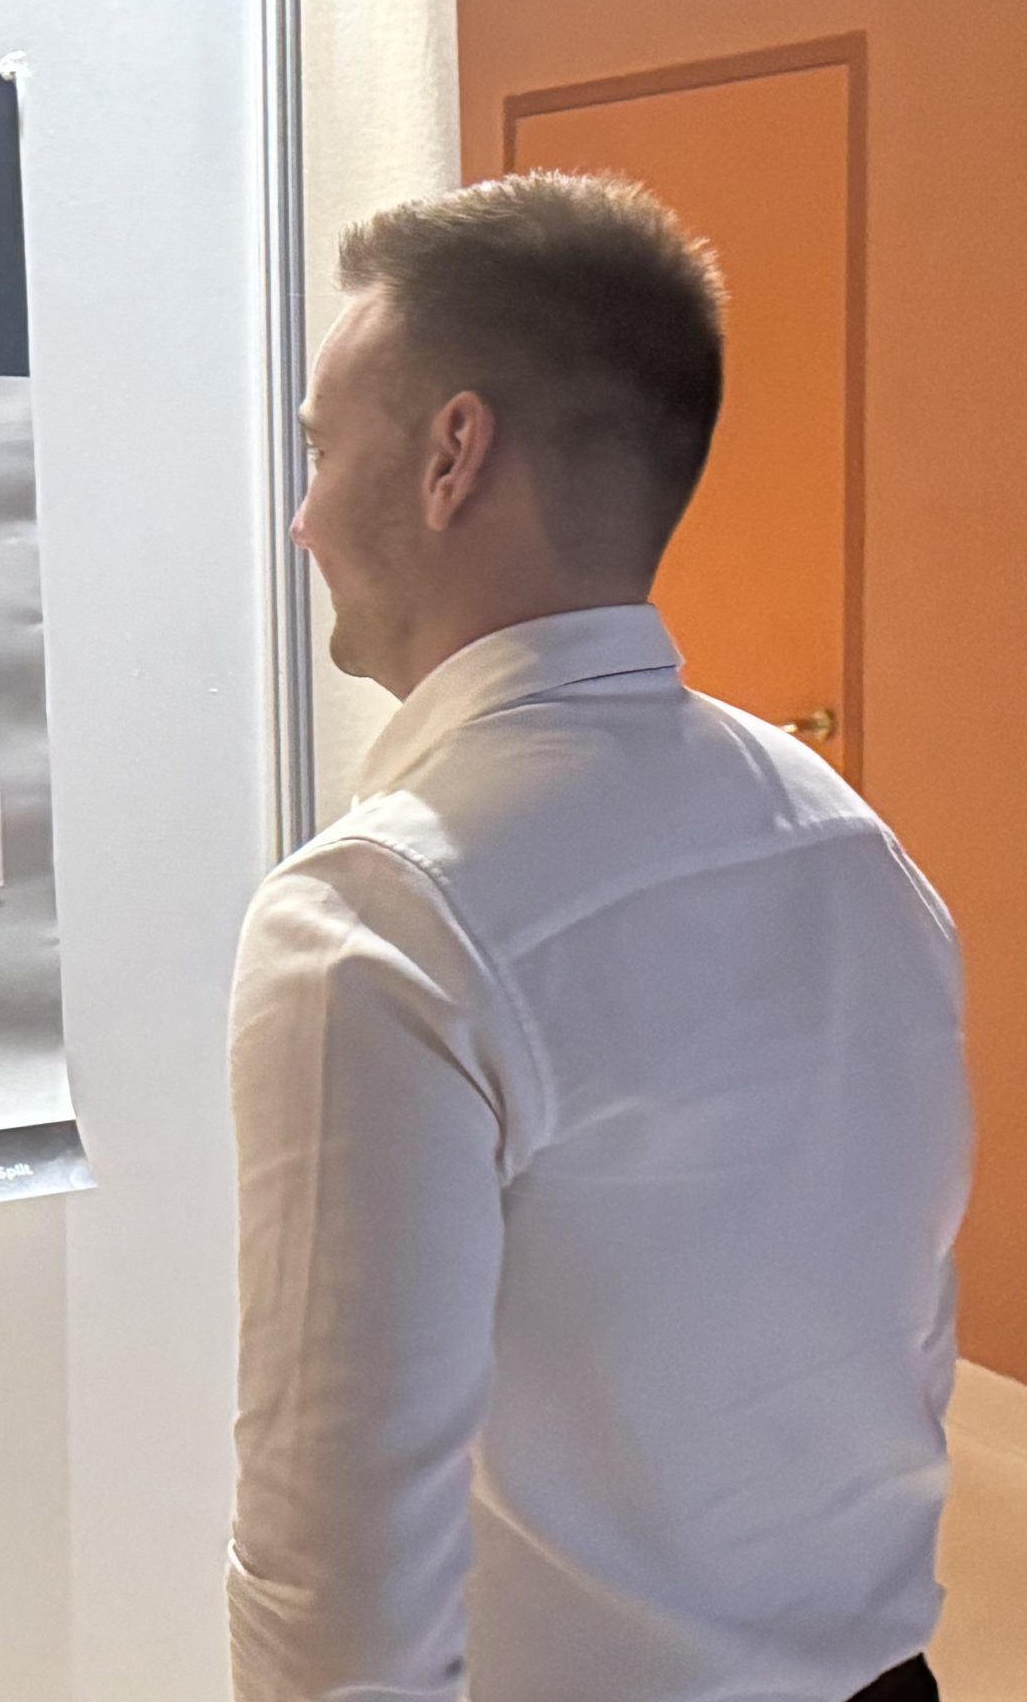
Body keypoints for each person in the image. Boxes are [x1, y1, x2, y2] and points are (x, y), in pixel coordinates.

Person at [227, 173, 970, 1702]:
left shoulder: (379, 927)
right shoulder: (853, 845)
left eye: (319, 450)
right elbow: (894, 1348)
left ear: (451, 458)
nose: (301, 517)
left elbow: (341, 1607)